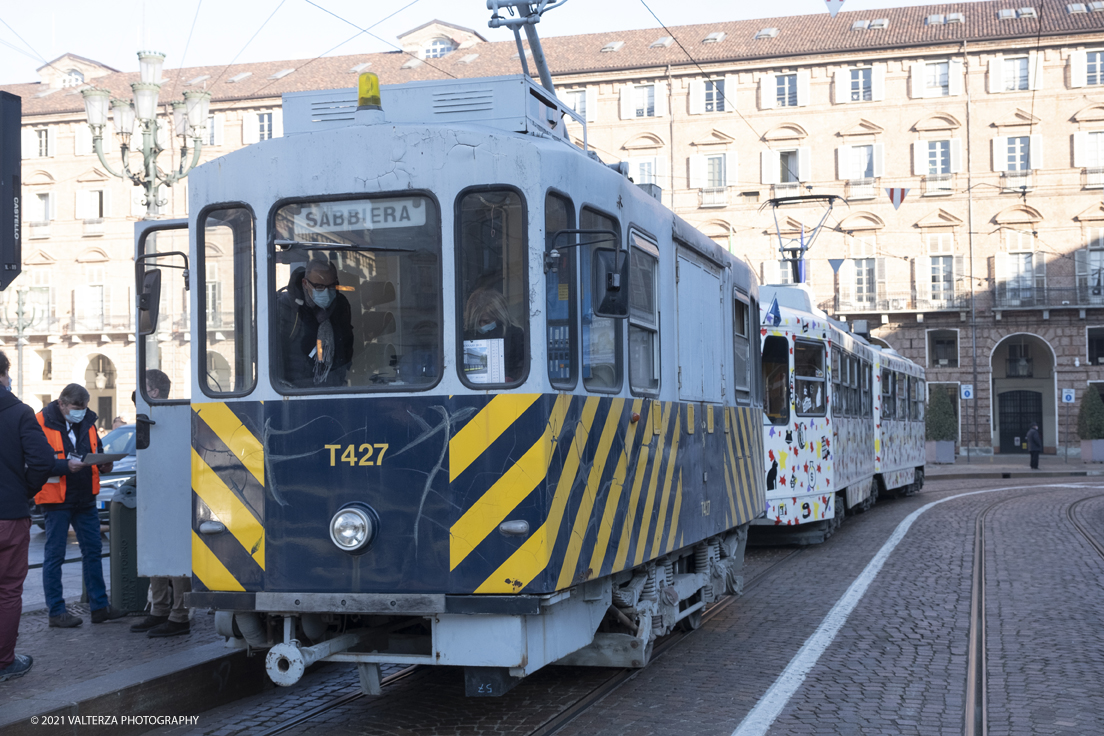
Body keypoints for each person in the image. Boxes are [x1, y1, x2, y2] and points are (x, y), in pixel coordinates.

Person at [36, 384, 126, 628]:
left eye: (84, 408)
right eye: (77, 408)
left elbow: (96, 450)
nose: (81, 412)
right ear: (62, 404)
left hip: (85, 496)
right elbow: (35, 462)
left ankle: (99, 607)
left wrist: (104, 464)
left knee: (93, 552)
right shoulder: (40, 422)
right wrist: (66, 466)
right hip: (56, 499)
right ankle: (56, 611)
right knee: (55, 556)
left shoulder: (87, 420)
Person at [0, 351, 55, 682]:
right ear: (4, 374)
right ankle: (4, 661)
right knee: (7, 591)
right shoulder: (19, 412)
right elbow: (43, 461)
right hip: (8, 515)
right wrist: (24, 492)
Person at [130, 370, 191, 637]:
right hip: (158, 492)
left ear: (153, 392)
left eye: (143, 389)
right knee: (156, 549)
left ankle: (179, 615)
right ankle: (160, 609)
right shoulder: (156, 417)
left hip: (172, 494)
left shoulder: (170, 418)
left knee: (175, 555)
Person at [276, 259, 354, 388]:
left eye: (331, 287)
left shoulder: (341, 305)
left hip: (334, 389)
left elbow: (347, 344)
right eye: (319, 287)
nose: (326, 292)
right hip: (295, 392)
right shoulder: (284, 307)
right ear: (305, 283)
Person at [463, 289, 525, 383]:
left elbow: (521, 367)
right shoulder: (466, 336)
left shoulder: (516, 335)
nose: (481, 326)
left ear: (500, 317)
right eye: (477, 322)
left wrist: (512, 378)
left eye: (486, 321)